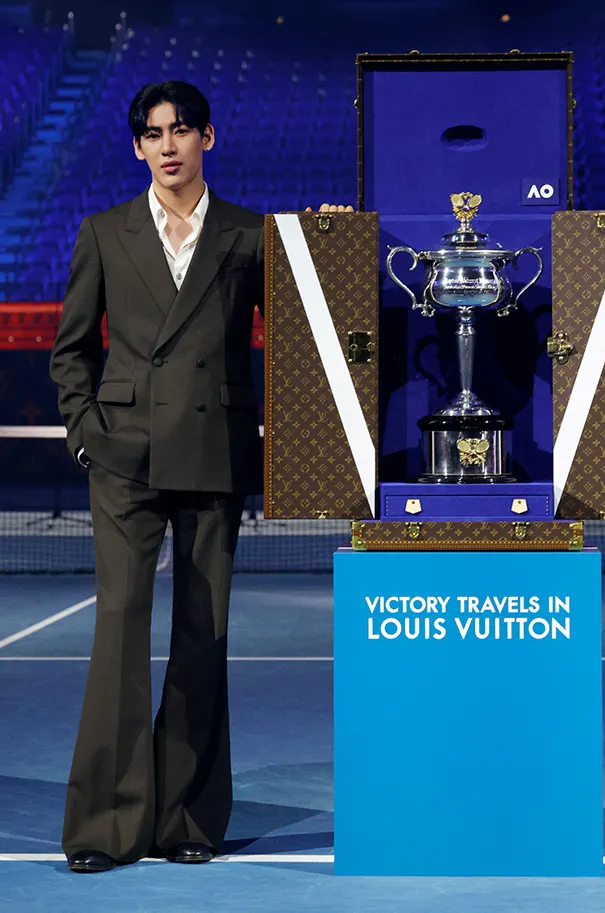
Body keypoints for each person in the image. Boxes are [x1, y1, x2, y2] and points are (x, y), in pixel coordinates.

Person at [49, 80, 352, 873]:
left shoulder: (253, 234)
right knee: (118, 631)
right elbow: (71, 350)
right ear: (138, 147)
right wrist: (86, 438)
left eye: (181, 130)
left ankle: (186, 814)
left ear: (207, 138)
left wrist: (325, 245)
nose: (169, 145)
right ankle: (105, 824)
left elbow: (304, 332)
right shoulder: (103, 232)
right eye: (154, 134)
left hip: (215, 452)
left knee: (201, 636)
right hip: (123, 458)